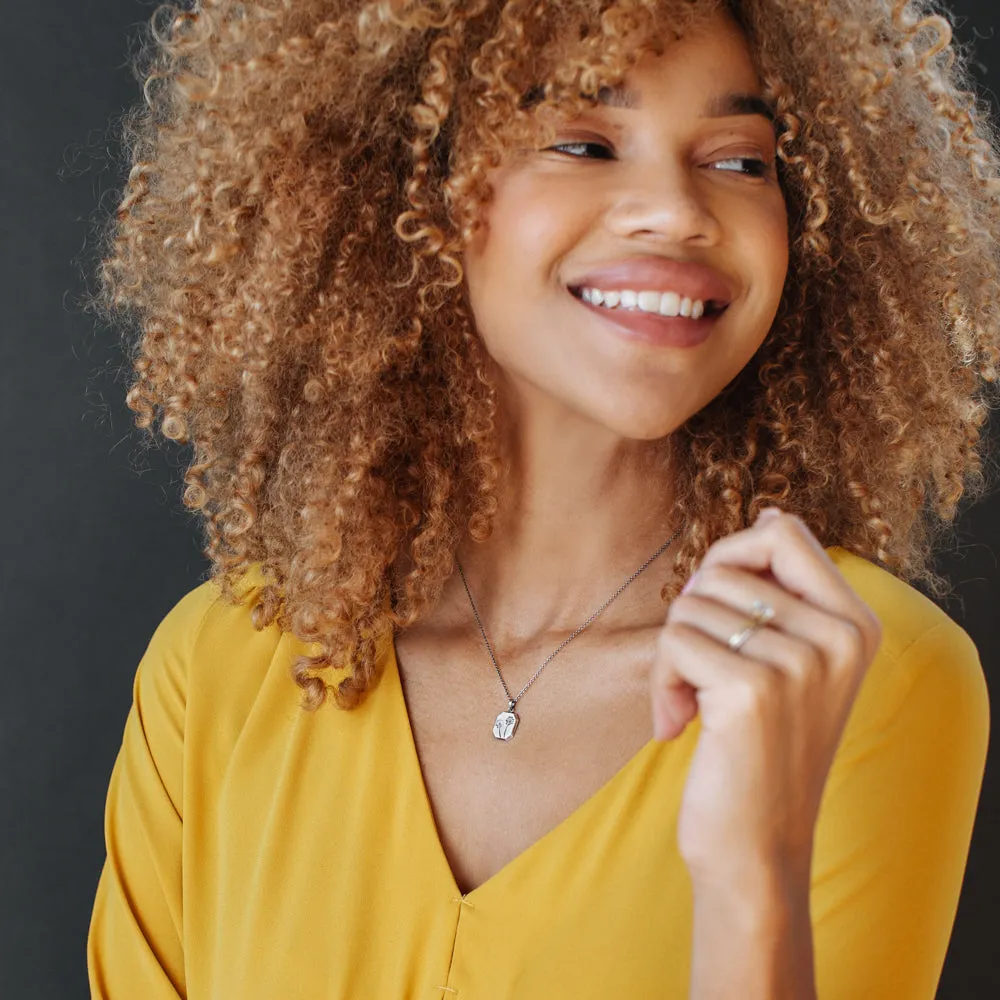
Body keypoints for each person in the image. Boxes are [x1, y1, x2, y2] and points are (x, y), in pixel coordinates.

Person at [86, 0, 997, 996]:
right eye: (582, 140)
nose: (678, 211)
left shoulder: (857, 675)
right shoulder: (223, 665)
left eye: (741, 160)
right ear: (415, 183)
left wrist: (753, 870)